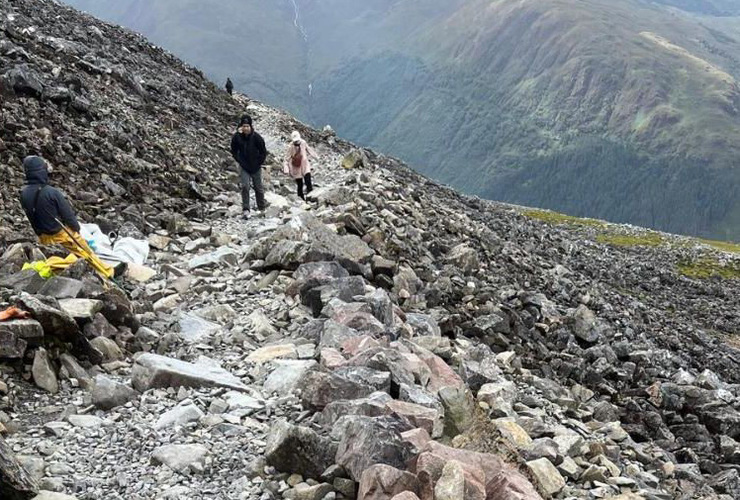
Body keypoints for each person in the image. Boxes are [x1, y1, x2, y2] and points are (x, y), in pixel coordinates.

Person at [19, 156, 114, 278]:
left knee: (60, 257)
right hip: (62, 235)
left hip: (43, 238)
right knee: (86, 254)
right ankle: (108, 272)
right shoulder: (51, 192)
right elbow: (69, 217)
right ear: (42, 171)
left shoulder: (24, 194)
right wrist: (77, 231)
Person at [230, 115, 267, 218]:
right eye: (244, 126)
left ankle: (261, 208)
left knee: (258, 187)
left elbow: (263, 151)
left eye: (247, 126)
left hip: (255, 167)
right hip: (244, 166)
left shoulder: (257, 138)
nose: (245, 128)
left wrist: (259, 162)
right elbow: (233, 149)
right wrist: (238, 159)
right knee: (245, 186)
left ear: (250, 126)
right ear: (241, 126)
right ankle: (246, 209)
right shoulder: (237, 137)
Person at [284, 131, 319, 200]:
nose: (297, 142)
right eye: (295, 141)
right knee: (300, 184)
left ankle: (310, 197)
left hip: (304, 164)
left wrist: (316, 157)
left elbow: (309, 150)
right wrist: (286, 169)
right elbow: (286, 158)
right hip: (296, 167)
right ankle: (301, 198)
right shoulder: (290, 147)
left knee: (308, 180)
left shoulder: (303, 143)